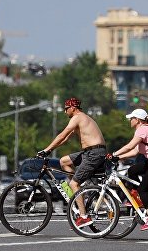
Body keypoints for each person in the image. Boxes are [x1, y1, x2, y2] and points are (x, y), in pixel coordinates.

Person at [37, 97, 106, 228]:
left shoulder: (78, 117)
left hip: (93, 153)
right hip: (91, 152)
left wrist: (47, 150)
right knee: (64, 161)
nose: (65, 112)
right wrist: (51, 149)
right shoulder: (83, 118)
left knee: (74, 183)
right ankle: (77, 190)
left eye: (66, 109)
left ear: (73, 108)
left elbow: (62, 135)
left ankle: (83, 216)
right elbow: (65, 139)